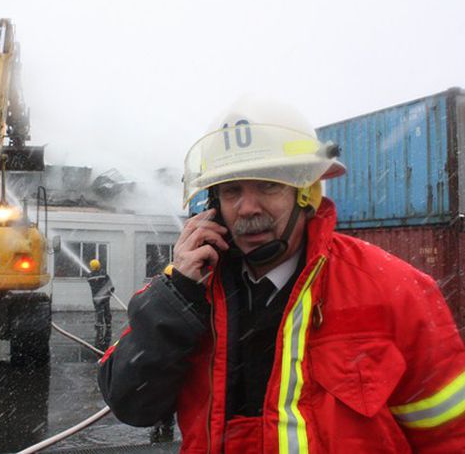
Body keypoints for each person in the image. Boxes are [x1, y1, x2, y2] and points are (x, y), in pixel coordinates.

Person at [97, 97, 465, 452]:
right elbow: (131, 404)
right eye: (232, 190)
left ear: (306, 193)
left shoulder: (396, 291)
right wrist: (177, 295)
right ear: (212, 206)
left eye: (268, 184)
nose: (248, 208)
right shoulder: (186, 290)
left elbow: (451, 437)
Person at [86, 259, 114, 351]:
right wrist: (111, 289)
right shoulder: (104, 274)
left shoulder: (89, 276)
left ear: (92, 267)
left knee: (99, 312)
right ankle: (108, 324)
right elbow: (110, 284)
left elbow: (90, 282)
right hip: (105, 297)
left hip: (97, 298)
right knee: (107, 310)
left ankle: (100, 325)